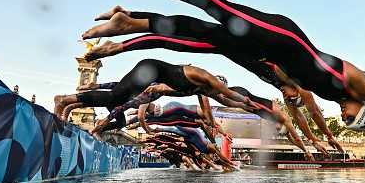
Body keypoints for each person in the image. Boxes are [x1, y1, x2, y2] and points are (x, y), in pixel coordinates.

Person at [83, 0, 365, 172]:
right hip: (282, 36)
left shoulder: (334, 97)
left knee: (204, 37)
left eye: (345, 120)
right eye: (350, 117)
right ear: (360, 109)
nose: (344, 115)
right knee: (218, 8)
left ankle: (131, 23)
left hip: (263, 53)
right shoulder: (363, 85)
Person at [53, 58, 257, 133]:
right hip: (149, 69)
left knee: (117, 96)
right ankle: (65, 101)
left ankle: (70, 105)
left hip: (147, 75)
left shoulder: (201, 90)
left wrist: (247, 107)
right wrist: (245, 99)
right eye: (217, 87)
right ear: (216, 82)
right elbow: (226, 94)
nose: (216, 92)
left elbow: (223, 100)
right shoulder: (203, 78)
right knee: (116, 98)